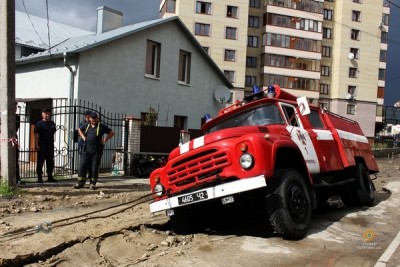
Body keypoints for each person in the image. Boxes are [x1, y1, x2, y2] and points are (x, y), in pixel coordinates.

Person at [75, 112, 114, 189]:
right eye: (92, 118)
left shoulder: (101, 126)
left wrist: (105, 139)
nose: (94, 120)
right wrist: (83, 137)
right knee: (83, 165)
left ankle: (92, 183)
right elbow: (79, 130)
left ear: (97, 118)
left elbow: (112, 132)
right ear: (90, 119)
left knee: (94, 167)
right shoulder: (87, 125)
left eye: (95, 118)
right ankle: (80, 183)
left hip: (96, 151)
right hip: (86, 150)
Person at [34, 108, 57, 183]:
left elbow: (53, 133)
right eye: (45, 113)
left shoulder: (52, 123)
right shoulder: (39, 124)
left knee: (50, 161)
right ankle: (39, 177)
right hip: (42, 145)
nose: (47, 115)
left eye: (48, 113)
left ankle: (50, 176)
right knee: (40, 161)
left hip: (50, 145)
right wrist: (36, 144)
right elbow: (37, 135)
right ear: (42, 115)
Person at [78, 110, 93, 183]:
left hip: (90, 145)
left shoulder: (93, 123)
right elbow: (80, 131)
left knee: (91, 161)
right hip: (83, 144)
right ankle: (82, 177)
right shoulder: (83, 123)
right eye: (88, 116)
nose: (88, 117)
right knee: (84, 161)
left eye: (89, 116)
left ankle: (90, 174)